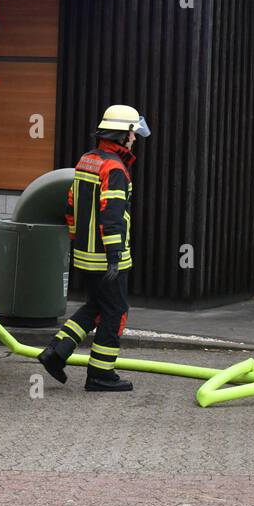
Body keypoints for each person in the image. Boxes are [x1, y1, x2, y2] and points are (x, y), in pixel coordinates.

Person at [38, 104, 150, 393]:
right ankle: (100, 374)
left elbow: (70, 205)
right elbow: (112, 216)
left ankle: (56, 352)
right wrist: (114, 257)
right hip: (107, 258)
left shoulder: (87, 160)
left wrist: (79, 241)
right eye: (133, 134)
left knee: (96, 308)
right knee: (116, 313)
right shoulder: (115, 169)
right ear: (123, 134)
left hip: (86, 255)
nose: (135, 139)